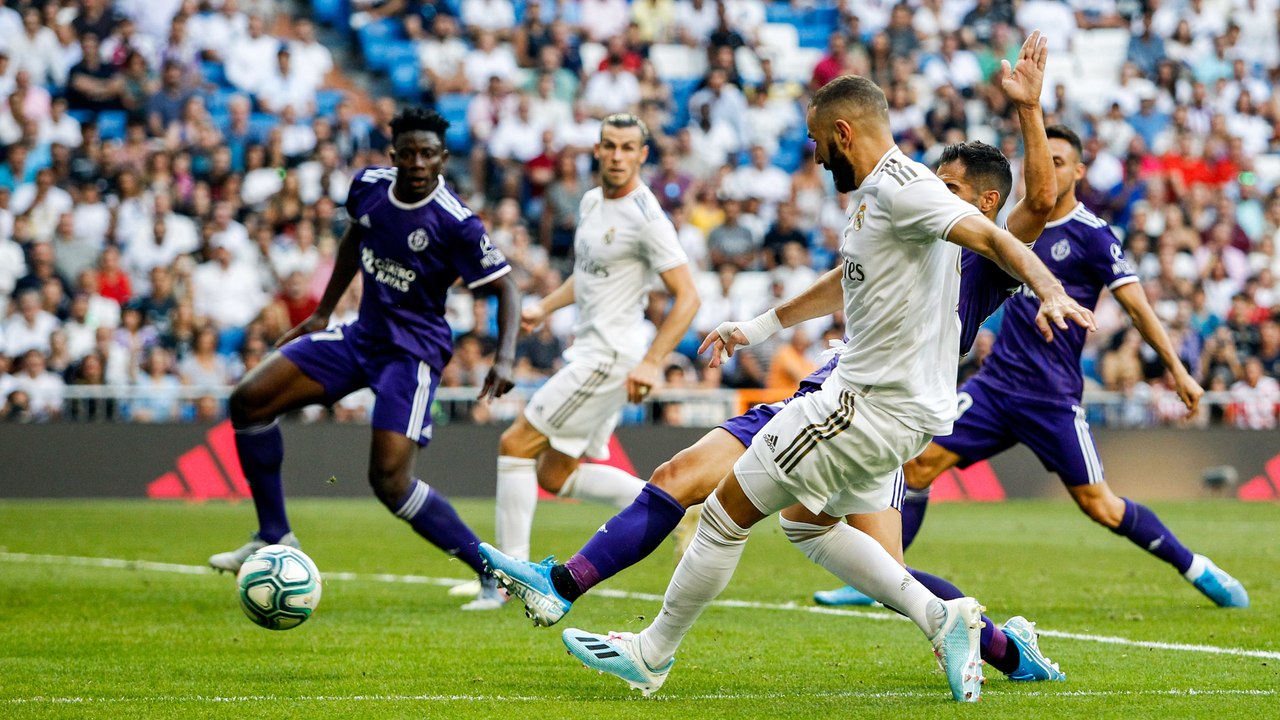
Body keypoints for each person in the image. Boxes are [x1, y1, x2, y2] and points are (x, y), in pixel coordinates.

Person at [482, 32, 1071, 686]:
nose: (815, 157)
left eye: (954, 185)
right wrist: (758, 326)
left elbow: (1031, 213)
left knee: (726, 510)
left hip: (865, 408)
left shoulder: (956, 238)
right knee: (797, 523)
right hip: (846, 398)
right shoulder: (895, 209)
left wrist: (1031, 130)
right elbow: (844, 278)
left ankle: (635, 642)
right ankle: (986, 641)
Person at [819, 124, 1248, 610]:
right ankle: (879, 575)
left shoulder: (1092, 237)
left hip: (1051, 397)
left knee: (1100, 506)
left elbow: (1137, 307)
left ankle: (1195, 566)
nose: (1049, 167)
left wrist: (1179, 370)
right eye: (1043, 159)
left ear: (1078, 171)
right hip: (996, 386)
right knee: (917, 467)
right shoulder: (1003, 230)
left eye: (1060, 161)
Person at [207, 108, 522, 611]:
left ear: (443, 158)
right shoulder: (369, 187)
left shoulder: (457, 222)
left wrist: (504, 358)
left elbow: (506, 287)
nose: (417, 163)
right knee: (249, 400)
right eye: (408, 153)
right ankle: (274, 535)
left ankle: (493, 575)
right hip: (360, 337)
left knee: (390, 482)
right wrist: (322, 312)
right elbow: (357, 236)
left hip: (412, 353)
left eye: (429, 154)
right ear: (392, 154)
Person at [487, 113, 700, 585]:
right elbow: (585, 276)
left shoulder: (647, 218)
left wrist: (652, 361)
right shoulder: (589, 202)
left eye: (628, 147)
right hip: (593, 351)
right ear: (597, 151)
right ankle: (676, 507)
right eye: (610, 146)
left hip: (611, 356)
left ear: (643, 155)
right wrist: (544, 306)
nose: (618, 155)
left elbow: (688, 297)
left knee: (515, 444)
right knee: (554, 473)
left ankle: (509, 577)